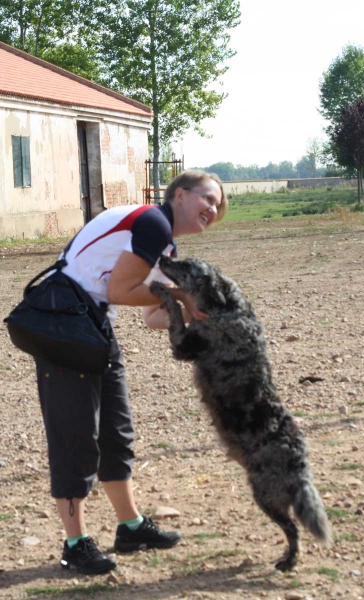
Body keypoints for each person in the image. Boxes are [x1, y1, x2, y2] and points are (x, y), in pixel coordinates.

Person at [35, 170, 227, 575]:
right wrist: (180, 295)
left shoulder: (164, 245)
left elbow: (152, 317)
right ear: (179, 194)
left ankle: (130, 527)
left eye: (218, 205)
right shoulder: (153, 222)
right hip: (64, 323)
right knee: (75, 437)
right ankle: (75, 544)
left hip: (93, 327)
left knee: (116, 432)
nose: (213, 208)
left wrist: (205, 320)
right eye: (207, 198)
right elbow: (121, 290)